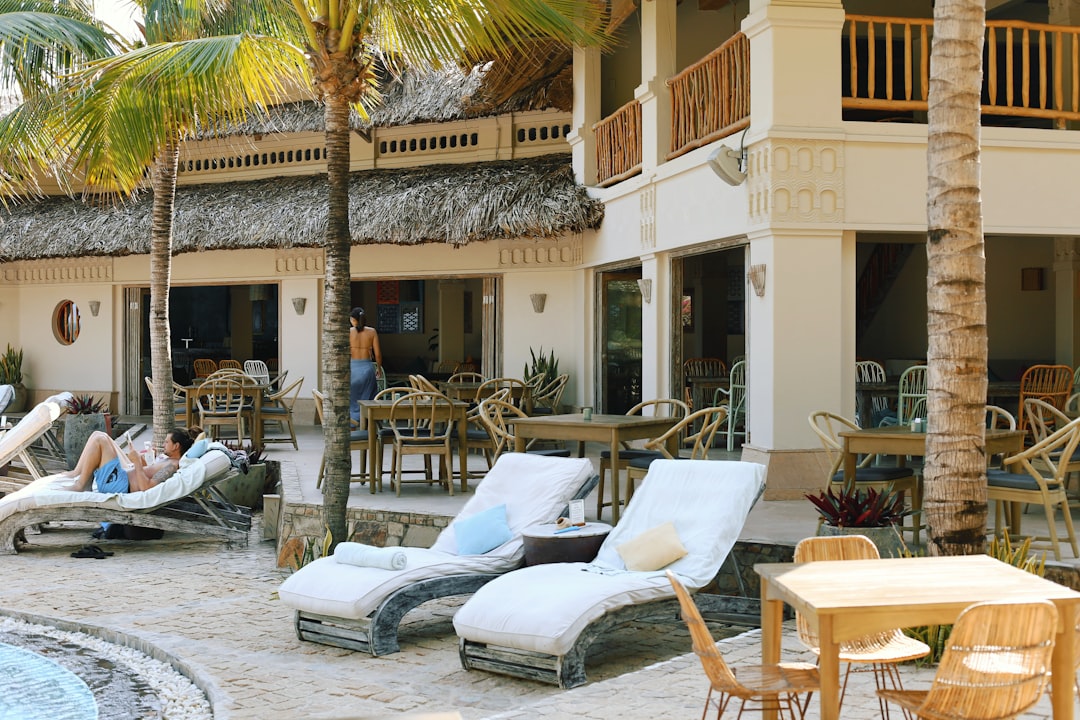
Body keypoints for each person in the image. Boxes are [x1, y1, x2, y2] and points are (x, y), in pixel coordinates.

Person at [62, 427, 197, 493]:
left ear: (176, 446)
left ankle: (80, 485)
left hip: (119, 484)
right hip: (124, 475)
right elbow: (146, 473)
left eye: (166, 442)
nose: (163, 444)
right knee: (99, 434)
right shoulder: (168, 460)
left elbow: (146, 488)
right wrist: (143, 461)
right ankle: (77, 473)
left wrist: (137, 462)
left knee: (100, 440)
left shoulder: (172, 466)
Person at [350, 306, 383, 424]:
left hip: (352, 370)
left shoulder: (348, 332)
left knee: (352, 401)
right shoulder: (372, 332)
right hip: (367, 369)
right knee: (368, 400)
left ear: (353, 319)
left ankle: (353, 425)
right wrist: (378, 368)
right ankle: (367, 427)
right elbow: (378, 354)